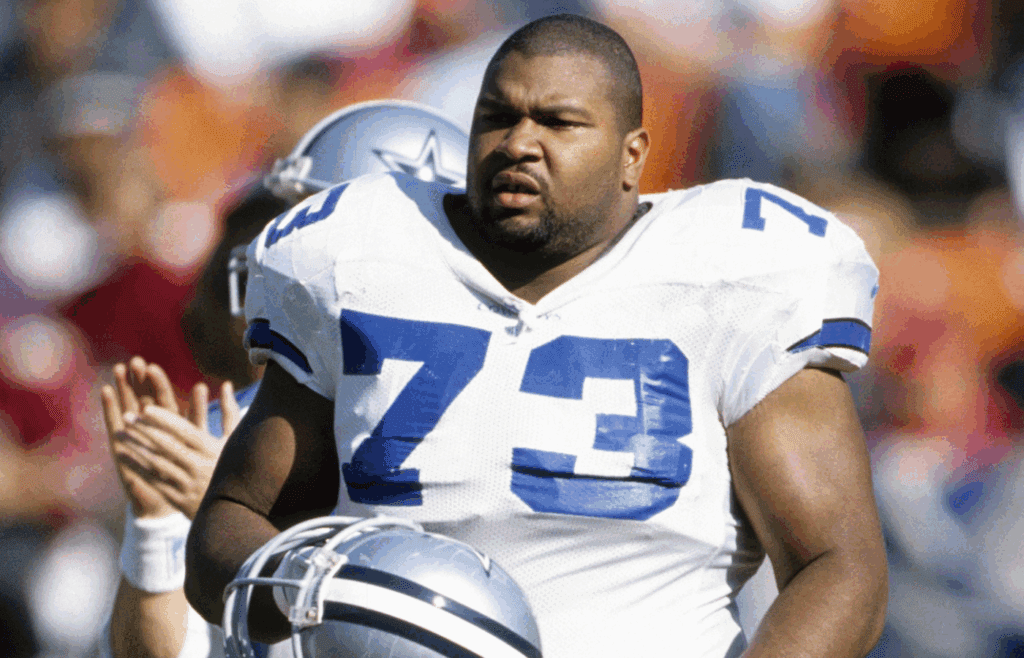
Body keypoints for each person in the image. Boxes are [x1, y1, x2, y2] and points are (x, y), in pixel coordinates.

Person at [185, 14, 888, 658]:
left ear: (631, 154)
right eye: (498, 118)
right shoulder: (360, 253)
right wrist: (321, 587)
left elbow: (838, 566)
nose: (519, 143)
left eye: (558, 122)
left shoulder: (732, 277)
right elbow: (235, 521)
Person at [101, 100, 470, 658]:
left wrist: (252, 532)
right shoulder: (230, 427)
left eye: (312, 234)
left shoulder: (499, 411)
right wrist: (157, 534)